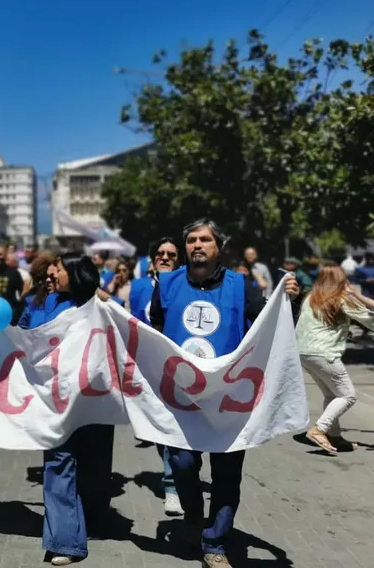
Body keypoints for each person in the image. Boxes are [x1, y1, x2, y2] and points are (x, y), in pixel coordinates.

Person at [149, 219, 299, 567]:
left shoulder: (240, 286)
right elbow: (154, 327)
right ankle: (192, 515)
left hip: (229, 399)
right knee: (182, 463)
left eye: (205, 239)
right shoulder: (167, 284)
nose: (197, 245)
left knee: (227, 474)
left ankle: (214, 543)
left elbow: (269, 324)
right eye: (191, 240)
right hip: (182, 398)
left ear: (219, 246)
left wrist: (291, 299)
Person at [25, 254, 111, 566]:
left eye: (59, 269)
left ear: (73, 275)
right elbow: (23, 334)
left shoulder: (98, 305)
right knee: (58, 464)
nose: (53, 273)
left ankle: (93, 522)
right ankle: (66, 542)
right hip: (55, 401)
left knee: (94, 467)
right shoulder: (41, 303)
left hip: (92, 402)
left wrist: (108, 301)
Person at [297, 265, 374, 454]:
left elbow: (317, 324)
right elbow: (368, 318)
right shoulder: (340, 298)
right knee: (347, 395)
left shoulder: (311, 297)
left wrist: (345, 331)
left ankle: (335, 437)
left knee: (332, 395)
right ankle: (319, 429)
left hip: (304, 353)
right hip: (324, 354)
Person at [126, 236, 184, 517]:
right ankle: (173, 483)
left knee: (179, 426)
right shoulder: (138, 287)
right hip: (149, 366)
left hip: (183, 367)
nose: (164, 257)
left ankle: (177, 482)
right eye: (160, 253)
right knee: (164, 427)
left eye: (171, 254)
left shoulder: (187, 286)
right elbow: (129, 321)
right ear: (152, 260)